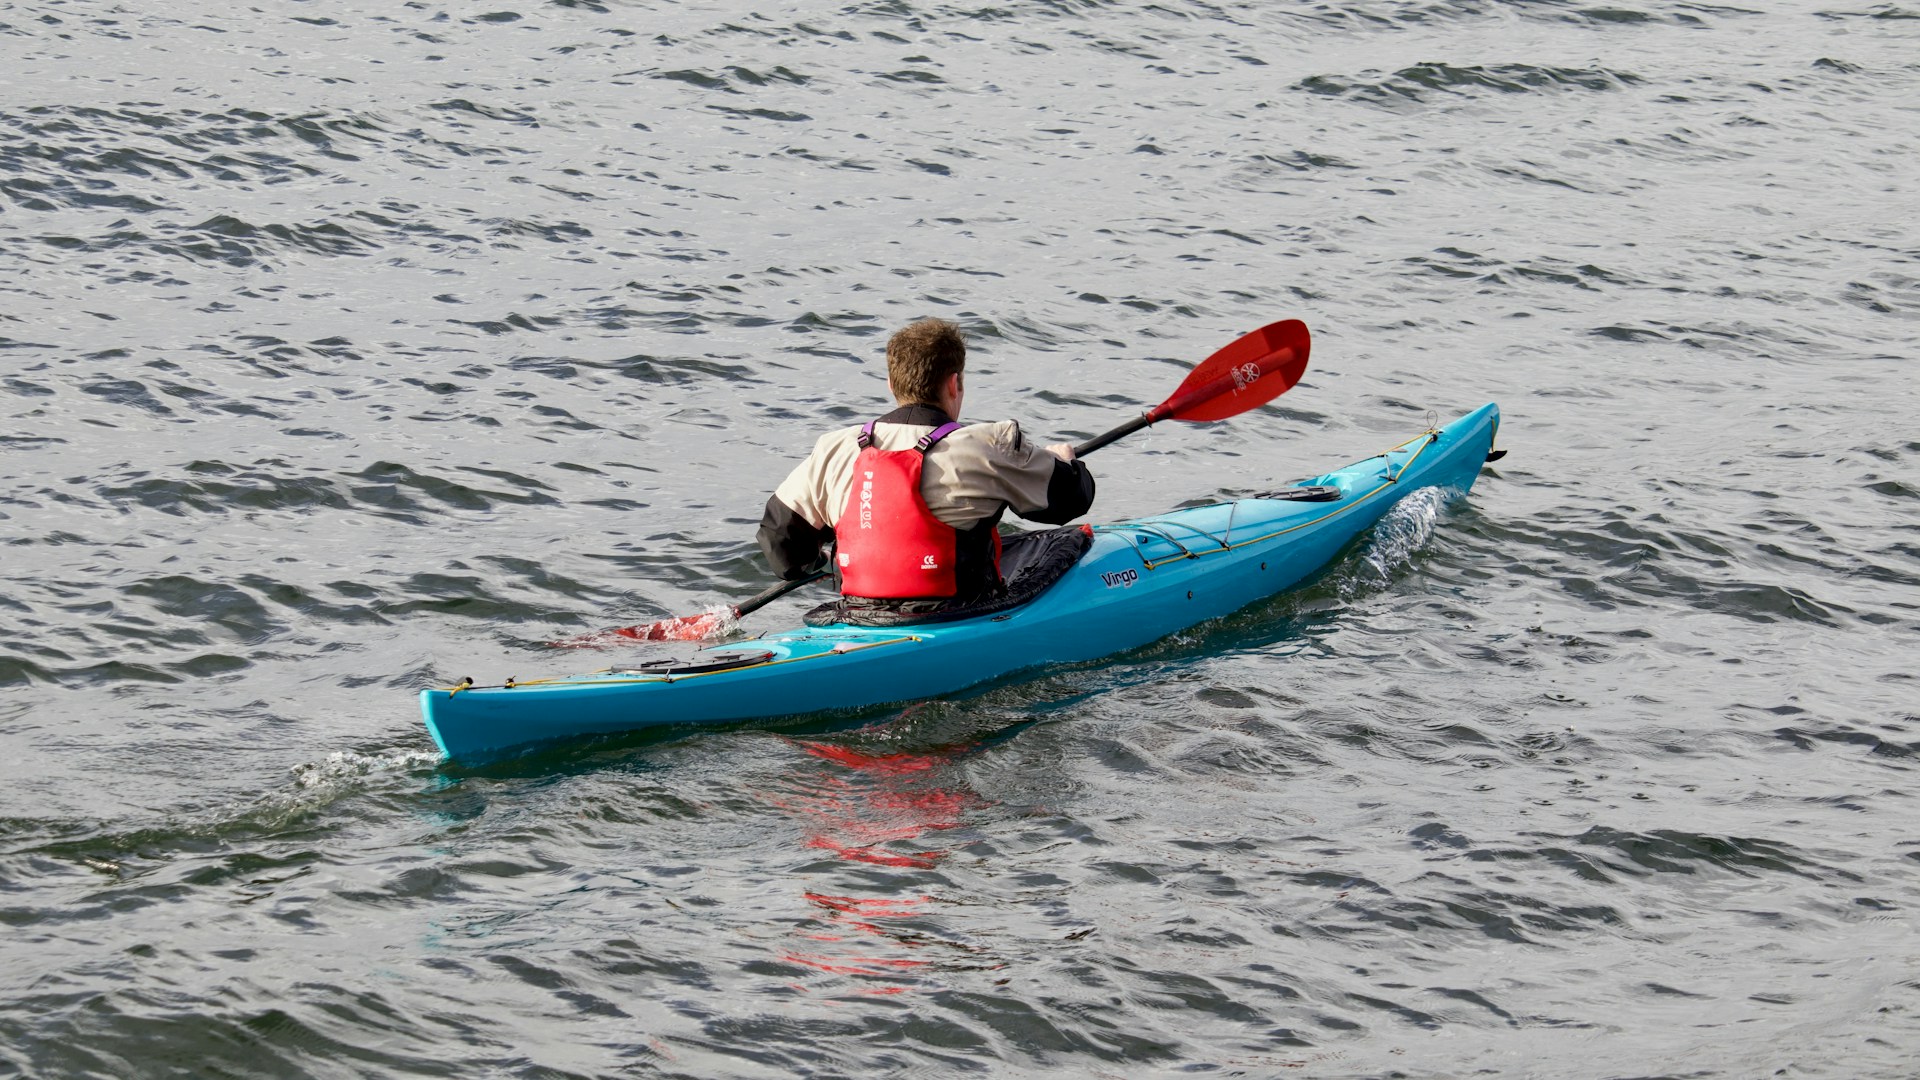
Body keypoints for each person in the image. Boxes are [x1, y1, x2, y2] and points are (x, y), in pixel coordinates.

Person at [758, 318, 1096, 606]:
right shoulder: (988, 445)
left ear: (892, 384)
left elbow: (781, 548)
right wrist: (1064, 463)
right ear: (954, 383)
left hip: (861, 613)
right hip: (959, 612)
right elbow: (1069, 502)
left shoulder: (835, 448)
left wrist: (824, 563)